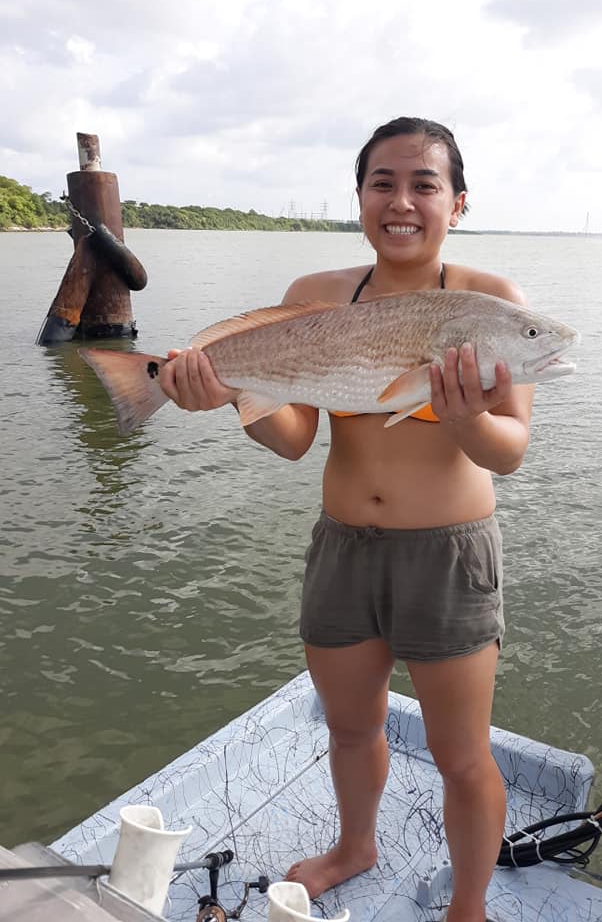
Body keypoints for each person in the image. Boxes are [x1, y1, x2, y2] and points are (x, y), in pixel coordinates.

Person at [159, 117, 535, 922]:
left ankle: (468, 906)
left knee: (461, 754)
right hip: (343, 549)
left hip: (448, 556)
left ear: (458, 202)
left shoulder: (495, 305)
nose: (402, 202)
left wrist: (466, 417)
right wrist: (230, 396)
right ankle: (355, 847)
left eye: (425, 185)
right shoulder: (318, 295)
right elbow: (294, 438)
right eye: (382, 183)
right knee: (351, 728)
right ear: (359, 197)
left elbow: (508, 451)